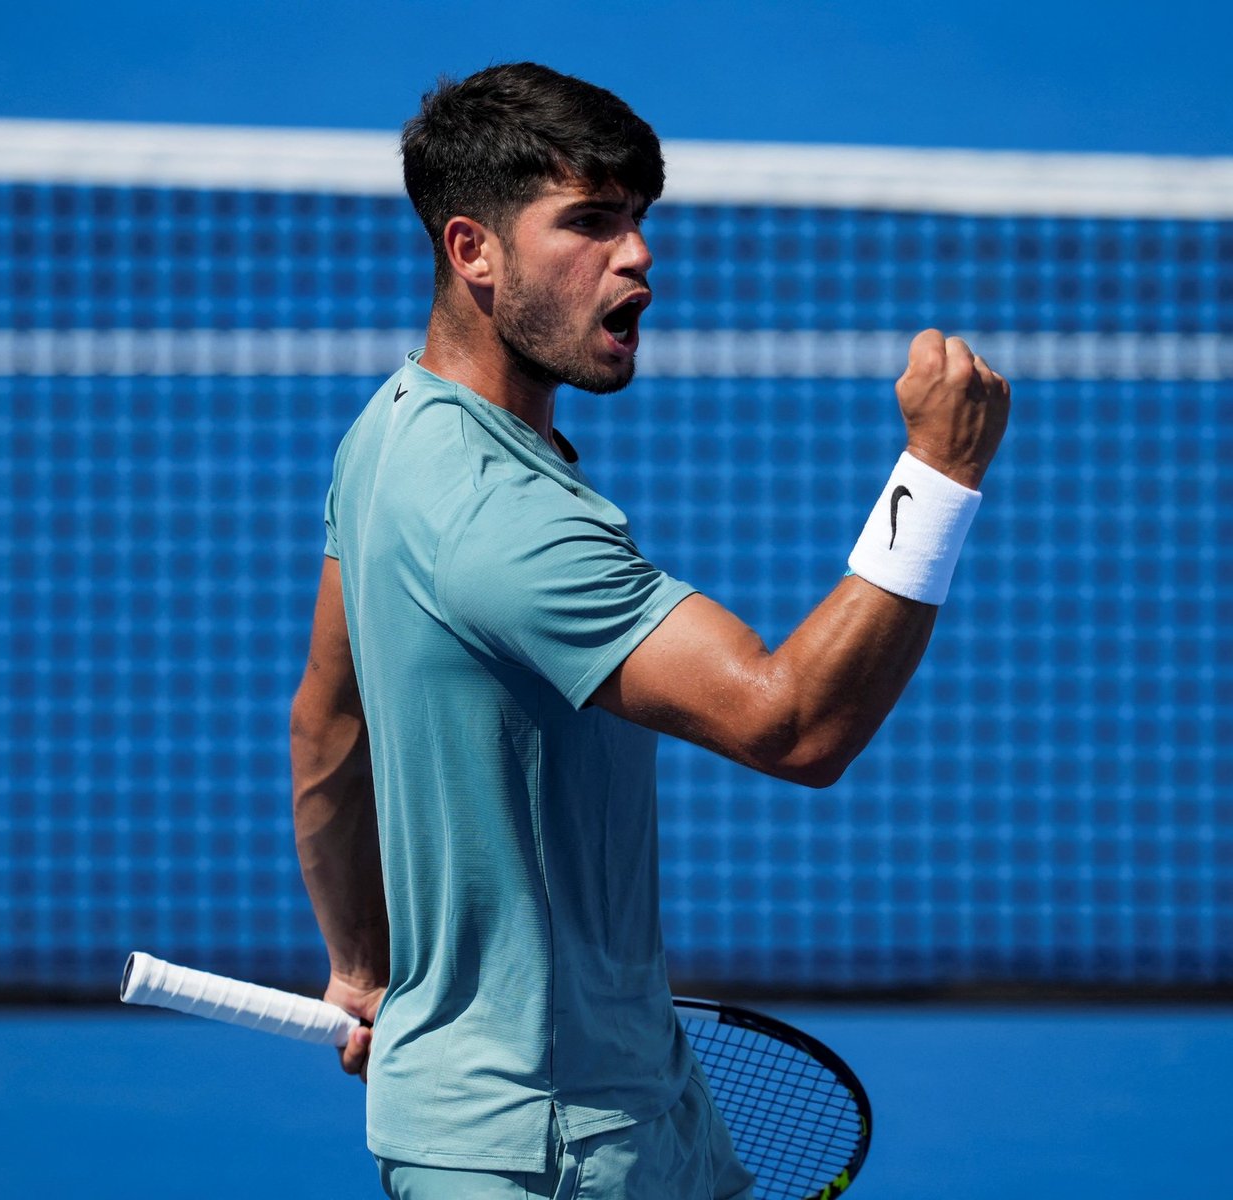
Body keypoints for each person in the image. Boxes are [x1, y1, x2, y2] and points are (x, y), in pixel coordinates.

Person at [289, 61, 1009, 1200]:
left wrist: (362, 966)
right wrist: (940, 473)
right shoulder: (504, 522)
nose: (638, 257)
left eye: (636, 219)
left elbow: (327, 724)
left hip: (630, 1102)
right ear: (471, 250)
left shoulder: (384, 434)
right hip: (549, 1150)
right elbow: (795, 725)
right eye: (588, 222)